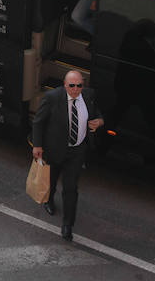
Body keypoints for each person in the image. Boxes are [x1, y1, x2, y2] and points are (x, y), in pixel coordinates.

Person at [32, 69, 104, 241]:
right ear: (65, 85)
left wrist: (100, 121)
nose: (75, 89)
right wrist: (37, 145)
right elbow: (38, 122)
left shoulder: (88, 95)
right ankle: (49, 200)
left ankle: (67, 226)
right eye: (72, 85)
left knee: (71, 189)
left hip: (76, 151)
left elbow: (97, 113)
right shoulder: (52, 98)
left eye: (79, 85)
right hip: (55, 149)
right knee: (51, 179)